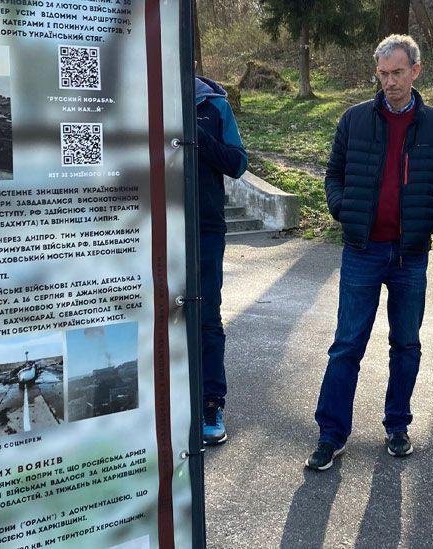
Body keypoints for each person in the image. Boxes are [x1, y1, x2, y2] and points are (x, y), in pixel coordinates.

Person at [305, 34, 433, 471]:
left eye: (397, 72)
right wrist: (342, 210)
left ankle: (396, 425)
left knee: (406, 344)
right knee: (347, 344)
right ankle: (331, 434)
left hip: (410, 253)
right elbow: (333, 173)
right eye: (383, 73)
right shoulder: (354, 120)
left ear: (415, 71)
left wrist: (432, 220)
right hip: (362, 249)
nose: (389, 81)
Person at [194, 71, 248, 445]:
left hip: (205, 229)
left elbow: (237, 162)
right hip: (151, 231)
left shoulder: (213, 105)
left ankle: (210, 403)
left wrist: (195, 138)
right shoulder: (141, 102)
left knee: (207, 318)